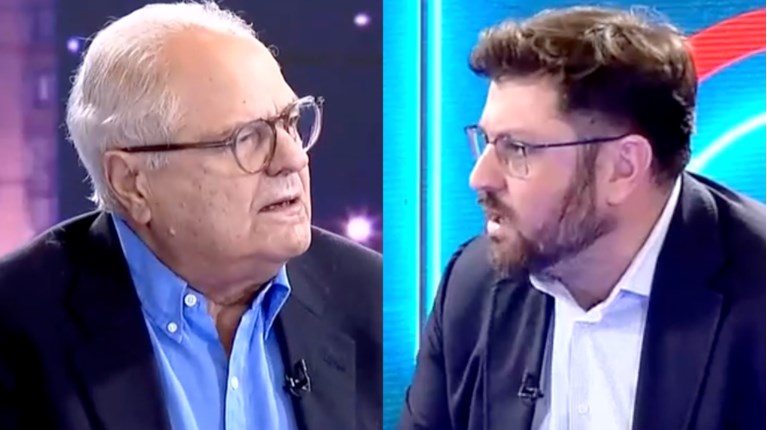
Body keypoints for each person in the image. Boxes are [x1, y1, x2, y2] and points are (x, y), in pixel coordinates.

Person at [0, 2, 381, 429]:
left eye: (290, 122)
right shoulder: (16, 330)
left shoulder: (374, 301)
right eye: (247, 138)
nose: (293, 158)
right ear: (132, 183)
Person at [399, 6, 764, 430]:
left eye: (517, 149)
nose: (479, 177)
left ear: (622, 168)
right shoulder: (473, 287)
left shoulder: (756, 298)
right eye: (486, 141)